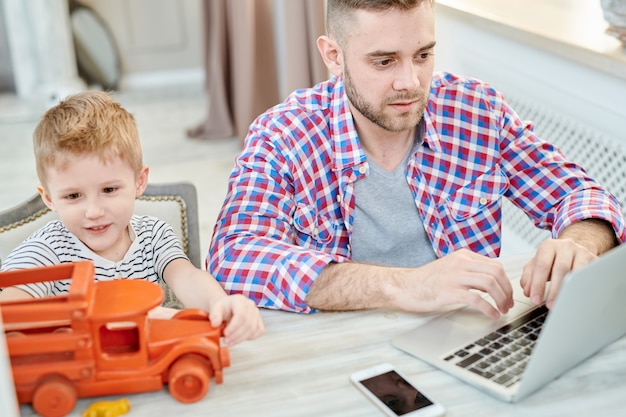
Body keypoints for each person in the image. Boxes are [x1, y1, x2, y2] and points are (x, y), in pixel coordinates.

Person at [208, 0, 625, 317]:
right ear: (333, 56)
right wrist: (404, 286)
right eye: (384, 61)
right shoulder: (283, 134)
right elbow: (233, 256)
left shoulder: (476, 110)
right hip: (341, 350)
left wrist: (576, 244)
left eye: (423, 55)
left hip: (464, 339)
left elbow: (582, 195)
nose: (410, 82)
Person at [0, 90, 263, 346]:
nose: (94, 211)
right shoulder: (47, 250)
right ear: (48, 198)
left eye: (109, 190)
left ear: (139, 182)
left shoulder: (154, 234)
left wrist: (220, 304)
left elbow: (187, 277)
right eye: (73, 196)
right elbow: (11, 309)